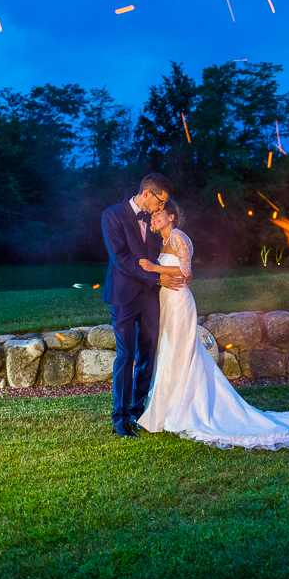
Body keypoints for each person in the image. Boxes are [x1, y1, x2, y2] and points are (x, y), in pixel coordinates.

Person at [135, 199, 289, 450]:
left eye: (159, 213)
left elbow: (185, 271)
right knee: (170, 352)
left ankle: (184, 408)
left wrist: (154, 268)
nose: (154, 217)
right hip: (167, 300)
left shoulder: (178, 236)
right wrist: (160, 275)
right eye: (153, 214)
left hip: (178, 302)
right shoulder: (164, 240)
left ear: (172, 216)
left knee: (180, 353)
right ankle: (165, 409)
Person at [101, 173, 190, 439]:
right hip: (124, 296)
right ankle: (121, 419)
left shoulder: (155, 219)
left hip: (152, 297)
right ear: (148, 194)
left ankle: (139, 410)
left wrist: (175, 270)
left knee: (148, 355)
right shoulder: (112, 215)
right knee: (126, 355)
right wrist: (156, 278)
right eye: (160, 201)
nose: (162, 207)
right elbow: (121, 258)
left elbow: (165, 249)